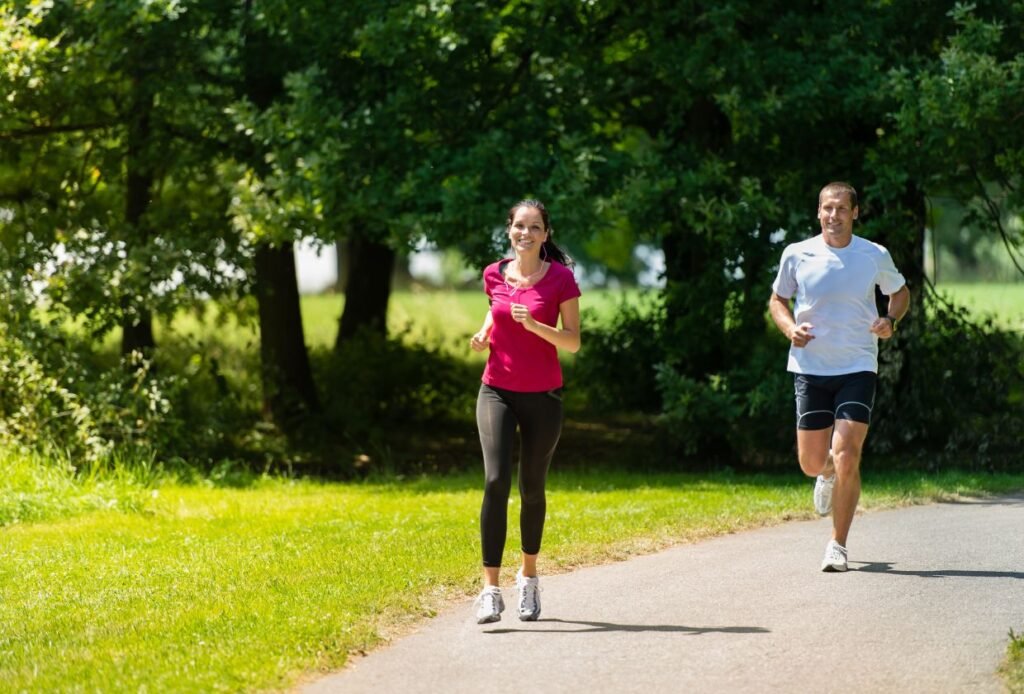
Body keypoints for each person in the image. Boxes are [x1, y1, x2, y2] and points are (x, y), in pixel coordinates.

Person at [769, 182, 909, 572]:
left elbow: (900, 293)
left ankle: (838, 545)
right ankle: (825, 473)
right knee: (813, 463)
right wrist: (788, 329)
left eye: (841, 209)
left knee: (849, 453)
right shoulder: (797, 254)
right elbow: (778, 299)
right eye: (827, 209)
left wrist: (890, 319)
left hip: (858, 365)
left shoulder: (873, 255)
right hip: (810, 367)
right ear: (818, 213)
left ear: (855, 212)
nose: (834, 216)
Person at [468, 199, 581, 623]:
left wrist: (535, 326)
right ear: (509, 230)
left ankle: (529, 579)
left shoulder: (561, 280)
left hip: (543, 396)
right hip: (496, 389)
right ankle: (489, 590)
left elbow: (573, 341)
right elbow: (494, 311)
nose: (526, 233)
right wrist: (484, 331)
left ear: (545, 234)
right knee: (495, 481)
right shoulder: (494, 273)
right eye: (519, 226)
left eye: (534, 227)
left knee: (531, 488)